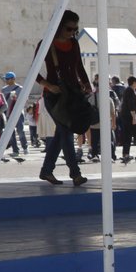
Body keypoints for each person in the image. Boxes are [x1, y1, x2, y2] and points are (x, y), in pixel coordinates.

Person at [35, 10, 89, 186]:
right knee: (65, 132)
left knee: (61, 133)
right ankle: (75, 173)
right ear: (58, 26)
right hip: (54, 96)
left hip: (72, 94)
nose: (72, 32)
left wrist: (87, 84)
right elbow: (34, 72)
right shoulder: (46, 44)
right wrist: (48, 85)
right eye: (68, 28)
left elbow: (79, 67)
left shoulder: (74, 43)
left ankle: (46, 170)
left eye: (75, 29)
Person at [1, 72, 28, 156]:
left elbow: (25, 99)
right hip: (8, 113)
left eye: (8, 79)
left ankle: (25, 147)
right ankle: (15, 150)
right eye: (6, 79)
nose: (6, 80)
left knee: (20, 130)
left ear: (13, 79)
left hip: (18, 112)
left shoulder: (20, 88)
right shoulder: (3, 89)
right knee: (10, 132)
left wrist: (16, 99)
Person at [120, 76, 136, 159]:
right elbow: (130, 105)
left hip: (129, 115)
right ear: (134, 82)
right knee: (133, 134)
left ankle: (130, 153)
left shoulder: (131, 90)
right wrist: (134, 117)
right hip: (129, 116)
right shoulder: (129, 91)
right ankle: (132, 153)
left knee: (133, 134)